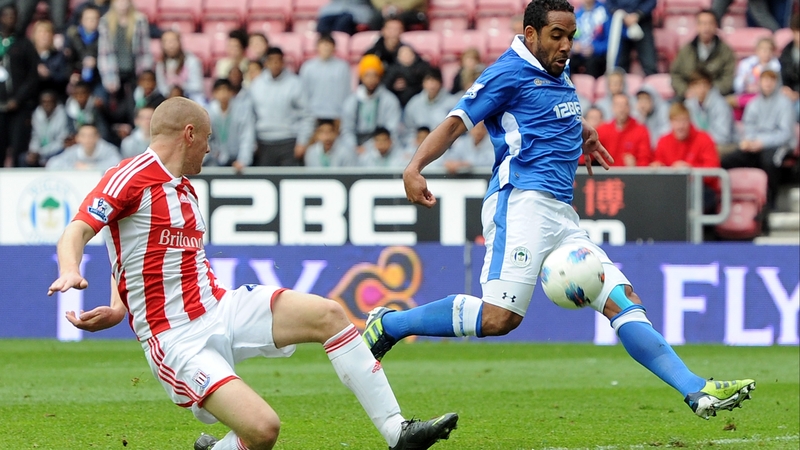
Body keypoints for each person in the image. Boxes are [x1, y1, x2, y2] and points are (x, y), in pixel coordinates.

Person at [362, 0, 755, 422]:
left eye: (571, 36)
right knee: (499, 318)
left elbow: (549, 114)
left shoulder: (555, 68)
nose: (566, 45)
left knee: (621, 298)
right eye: (557, 36)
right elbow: (457, 121)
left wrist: (581, 133)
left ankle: (695, 389)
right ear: (530, 34)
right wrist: (414, 166)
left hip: (562, 214)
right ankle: (390, 324)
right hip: (520, 204)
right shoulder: (506, 72)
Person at [47, 97, 457, 450]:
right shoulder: (130, 177)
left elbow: (136, 255)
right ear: (189, 134)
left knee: (329, 315)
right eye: (207, 139)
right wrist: (70, 270)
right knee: (263, 431)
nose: (209, 150)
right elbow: (79, 230)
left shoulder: (184, 188)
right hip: (175, 337)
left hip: (218, 305)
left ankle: (396, 431)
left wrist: (119, 306)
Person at [721, 70, 797, 209]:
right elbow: (748, 127)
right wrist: (750, 142)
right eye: (765, 80)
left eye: (771, 80)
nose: (768, 83)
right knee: (727, 160)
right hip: (755, 145)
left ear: (777, 83)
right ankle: (724, 201)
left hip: (780, 145)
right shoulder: (753, 104)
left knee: (769, 161)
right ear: (759, 82)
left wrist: (762, 143)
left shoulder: (785, 104)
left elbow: (785, 134)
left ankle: (771, 202)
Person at [651, 102, 721, 213]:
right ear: (671, 122)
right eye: (676, 121)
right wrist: (657, 167)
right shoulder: (663, 141)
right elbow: (657, 162)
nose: (680, 126)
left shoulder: (704, 138)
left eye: (684, 121)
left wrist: (689, 169)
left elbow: (712, 170)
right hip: (672, 190)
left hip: (700, 189)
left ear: (689, 121)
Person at [249, 47, 314, 166]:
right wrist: (253, 143)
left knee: (290, 183)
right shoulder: (256, 85)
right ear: (266, 63)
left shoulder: (295, 84)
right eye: (271, 61)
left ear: (283, 62)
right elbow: (250, 117)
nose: (275, 64)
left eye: (278, 60)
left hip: (289, 141)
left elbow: (307, 115)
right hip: (264, 142)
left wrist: (302, 142)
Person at [97, 0, 153, 126]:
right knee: (116, 106)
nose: (122, 4)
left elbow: (145, 50)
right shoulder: (105, 21)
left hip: (134, 70)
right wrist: (109, 78)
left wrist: (144, 74)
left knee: (135, 104)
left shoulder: (140, 20)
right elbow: (104, 52)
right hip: (114, 70)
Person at [0, 3, 39, 168]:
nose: (10, 19)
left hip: (19, 108)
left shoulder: (24, 44)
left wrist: (18, 99)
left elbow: (32, 76)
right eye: (7, 16)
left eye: (13, 16)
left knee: (18, 148)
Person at [670, 9, 736, 100]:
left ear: (716, 26)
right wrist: (686, 91)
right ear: (697, 26)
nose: (706, 27)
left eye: (710, 23)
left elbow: (728, 79)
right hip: (688, 96)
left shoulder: (726, 51)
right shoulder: (686, 50)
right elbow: (675, 75)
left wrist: (708, 92)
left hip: (716, 97)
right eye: (703, 23)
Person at [341, 54, 402, 148]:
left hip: (381, 146)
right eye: (367, 75)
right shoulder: (351, 101)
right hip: (355, 147)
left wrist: (372, 148)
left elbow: (392, 129)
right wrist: (354, 147)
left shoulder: (390, 100)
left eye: (375, 75)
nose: (371, 80)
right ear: (361, 77)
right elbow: (347, 130)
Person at [299, 33, 352, 121]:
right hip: (313, 115)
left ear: (334, 47)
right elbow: (303, 93)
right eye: (323, 44)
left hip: (336, 115)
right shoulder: (307, 67)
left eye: (329, 44)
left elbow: (346, 92)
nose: (326, 47)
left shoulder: (343, 67)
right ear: (317, 47)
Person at [207, 79, 255, 170]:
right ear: (214, 93)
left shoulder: (242, 111)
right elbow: (206, 139)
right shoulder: (208, 112)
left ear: (231, 92)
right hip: (215, 160)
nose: (223, 94)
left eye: (226, 90)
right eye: (220, 90)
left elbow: (247, 136)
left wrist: (243, 160)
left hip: (237, 159)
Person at [683, 69, 736, 155]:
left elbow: (723, 136)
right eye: (697, 85)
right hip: (700, 145)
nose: (702, 89)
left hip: (723, 146)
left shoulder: (720, 105)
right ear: (691, 87)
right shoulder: (688, 105)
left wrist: (701, 143)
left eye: (705, 84)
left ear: (710, 86)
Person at [402, 68, 457, 145]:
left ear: (441, 83)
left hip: (446, 147)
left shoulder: (452, 103)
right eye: (428, 80)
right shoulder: (414, 103)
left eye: (435, 80)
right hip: (419, 147)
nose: (432, 85)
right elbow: (408, 130)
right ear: (423, 83)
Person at [596, 93, 652, 166]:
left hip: (631, 175)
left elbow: (645, 159)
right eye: (618, 105)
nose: (621, 109)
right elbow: (589, 154)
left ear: (629, 108)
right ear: (612, 108)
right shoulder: (603, 130)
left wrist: (636, 165)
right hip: (607, 175)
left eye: (625, 105)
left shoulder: (641, 130)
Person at [605, 0, 657, 76]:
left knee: (649, 65)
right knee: (620, 65)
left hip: (643, 23)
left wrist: (638, 14)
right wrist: (621, 14)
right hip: (621, 24)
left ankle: (653, 85)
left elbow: (651, 2)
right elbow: (609, 3)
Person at [155, 30, 204, 102]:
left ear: (179, 42)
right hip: (168, 99)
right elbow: (161, 87)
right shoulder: (160, 65)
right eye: (166, 42)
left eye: (173, 41)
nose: (170, 45)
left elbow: (197, 86)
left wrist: (180, 89)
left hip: (190, 98)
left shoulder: (191, 61)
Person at [46, 123, 120, 170]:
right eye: (83, 136)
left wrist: (90, 167)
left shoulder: (108, 150)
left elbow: (117, 164)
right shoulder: (73, 151)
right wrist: (74, 168)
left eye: (91, 136)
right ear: (77, 138)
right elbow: (52, 164)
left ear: (98, 137)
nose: (87, 139)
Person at [24, 90, 69, 167]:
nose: (47, 105)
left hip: (57, 151)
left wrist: (41, 153)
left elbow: (62, 142)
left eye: (50, 102)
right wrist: (33, 151)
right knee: (24, 158)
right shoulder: (37, 114)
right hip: (39, 152)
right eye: (44, 102)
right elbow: (35, 136)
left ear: (55, 103)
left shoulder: (63, 115)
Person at [64, 4, 102, 94]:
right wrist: (71, 74)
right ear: (81, 20)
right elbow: (66, 60)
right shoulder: (72, 36)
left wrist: (96, 62)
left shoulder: (104, 37)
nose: (92, 21)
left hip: (98, 78)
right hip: (77, 75)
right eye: (88, 18)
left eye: (95, 18)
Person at [570, 0, 609, 78]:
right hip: (579, 54)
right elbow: (572, 37)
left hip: (598, 55)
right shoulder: (577, 14)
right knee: (567, 62)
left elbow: (611, 40)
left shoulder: (604, 13)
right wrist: (574, 46)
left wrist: (595, 48)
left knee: (592, 63)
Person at [32, 20, 69, 96]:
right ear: (34, 35)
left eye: (47, 32)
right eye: (40, 32)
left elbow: (63, 78)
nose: (44, 36)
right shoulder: (28, 55)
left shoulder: (59, 56)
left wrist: (49, 75)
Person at [633, 85, 669, 149]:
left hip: (660, 149)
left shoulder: (663, 109)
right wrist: (642, 117)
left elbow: (666, 133)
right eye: (640, 99)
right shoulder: (637, 113)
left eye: (646, 99)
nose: (643, 103)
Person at [779, 13, 800, 121]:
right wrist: (785, 89)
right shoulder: (786, 52)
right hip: (789, 95)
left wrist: (797, 94)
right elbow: (783, 75)